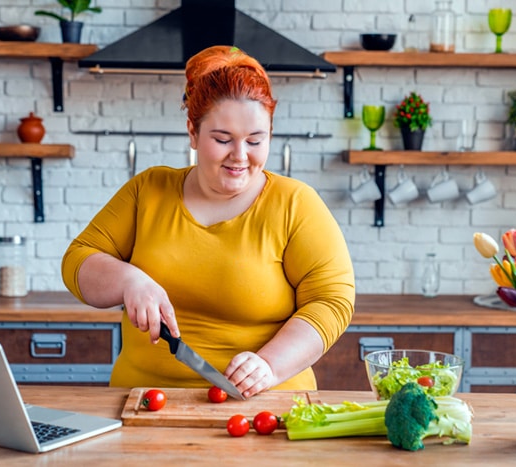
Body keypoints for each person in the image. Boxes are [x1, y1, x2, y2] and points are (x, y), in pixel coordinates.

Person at [62, 45, 355, 398]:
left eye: (255, 140)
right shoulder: (148, 191)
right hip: (140, 402)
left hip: (264, 406)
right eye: (222, 139)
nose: (240, 156)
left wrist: (270, 364)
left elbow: (332, 301)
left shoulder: (296, 204)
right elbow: (77, 259)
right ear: (192, 132)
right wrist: (128, 280)